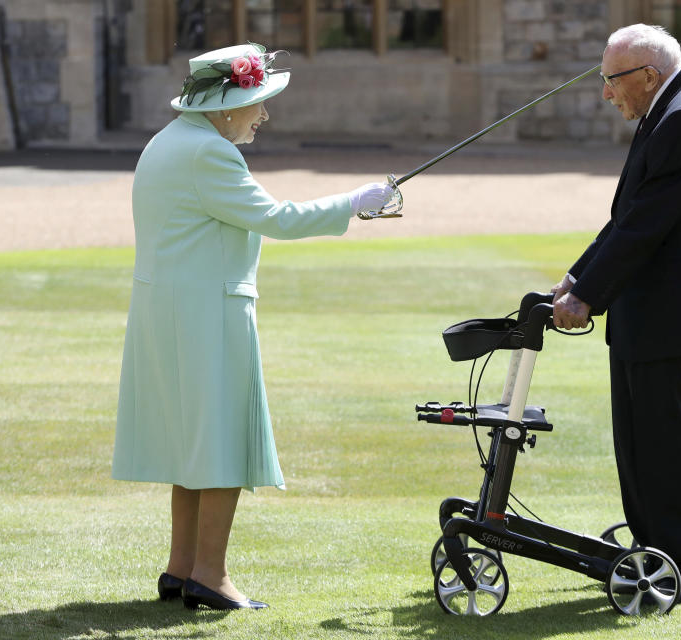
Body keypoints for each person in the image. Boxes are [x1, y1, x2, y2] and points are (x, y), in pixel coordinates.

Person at [112, 43, 395, 611]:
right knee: (221, 444)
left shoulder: (165, 142)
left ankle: (182, 568)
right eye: (256, 103)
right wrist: (355, 202)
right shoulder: (210, 154)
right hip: (208, 314)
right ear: (223, 107)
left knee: (194, 442)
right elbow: (274, 218)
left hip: (168, 313)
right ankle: (209, 577)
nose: (262, 114)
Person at [551, 24, 681, 603]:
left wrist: (587, 295)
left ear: (648, 76)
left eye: (612, 81)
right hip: (652, 300)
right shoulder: (677, 100)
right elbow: (632, 213)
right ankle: (656, 547)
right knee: (638, 438)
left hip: (669, 302)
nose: (606, 94)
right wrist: (577, 275)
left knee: (660, 440)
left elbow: (648, 222)